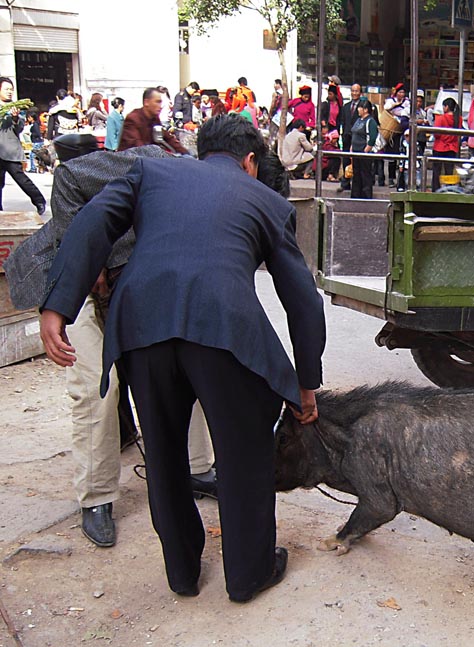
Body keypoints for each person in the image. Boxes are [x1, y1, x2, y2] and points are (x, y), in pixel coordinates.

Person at [38, 114, 326, 602]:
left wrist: (57, 306)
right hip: (225, 330)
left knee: (165, 451)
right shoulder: (267, 201)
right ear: (250, 160)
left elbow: (91, 221)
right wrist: (306, 381)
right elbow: (301, 297)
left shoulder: (154, 173)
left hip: (142, 325)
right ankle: (248, 574)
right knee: (244, 450)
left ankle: (182, 573)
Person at [13, 133, 219, 547]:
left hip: (135, 285)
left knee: (185, 368)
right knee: (96, 389)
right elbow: (68, 175)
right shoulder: (151, 162)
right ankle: (97, 496)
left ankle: (197, 468)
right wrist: (86, 260)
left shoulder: (205, 200)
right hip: (74, 286)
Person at [0, 77, 46, 213]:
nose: (9, 92)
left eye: (11, 89)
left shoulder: (16, 108)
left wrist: (15, 118)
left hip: (10, 150)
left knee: (22, 179)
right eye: (6, 89)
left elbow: (19, 128)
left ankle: (39, 200)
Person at [119, 87, 188, 154]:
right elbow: (139, 148)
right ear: (146, 102)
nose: (160, 106)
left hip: (148, 160)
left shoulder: (155, 119)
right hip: (130, 162)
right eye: (158, 102)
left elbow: (168, 138)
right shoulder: (133, 118)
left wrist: (186, 153)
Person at [350, 99, 378, 199]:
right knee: (356, 175)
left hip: (364, 152)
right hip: (355, 152)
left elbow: (372, 138)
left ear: (365, 109)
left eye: (360, 107)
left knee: (365, 174)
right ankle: (355, 195)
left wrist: (365, 151)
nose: (358, 109)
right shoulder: (358, 120)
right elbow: (354, 133)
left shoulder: (370, 121)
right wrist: (352, 149)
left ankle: (366, 196)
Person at [431, 97, 461, 191]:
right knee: (449, 171)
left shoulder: (441, 118)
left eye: (444, 106)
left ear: (447, 107)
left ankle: (436, 189)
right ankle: (449, 189)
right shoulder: (458, 119)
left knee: (437, 171)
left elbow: (436, 134)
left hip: (439, 147)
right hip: (452, 147)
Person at [383, 83, 410, 186]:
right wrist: (396, 104)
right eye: (400, 92)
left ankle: (401, 180)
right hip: (392, 131)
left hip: (402, 130)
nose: (401, 94)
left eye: (403, 92)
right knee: (392, 156)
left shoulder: (407, 102)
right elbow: (387, 108)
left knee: (402, 155)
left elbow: (406, 112)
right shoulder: (391, 101)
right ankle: (391, 178)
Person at [337, 83, 362, 193]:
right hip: (346, 137)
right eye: (353, 91)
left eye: (356, 91)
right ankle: (345, 182)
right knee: (346, 159)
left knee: (356, 161)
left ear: (360, 93)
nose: (354, 93)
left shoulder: (363, 106)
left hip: (358, 138)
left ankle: (356, 184)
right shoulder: (346, 107)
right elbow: (342, 121)